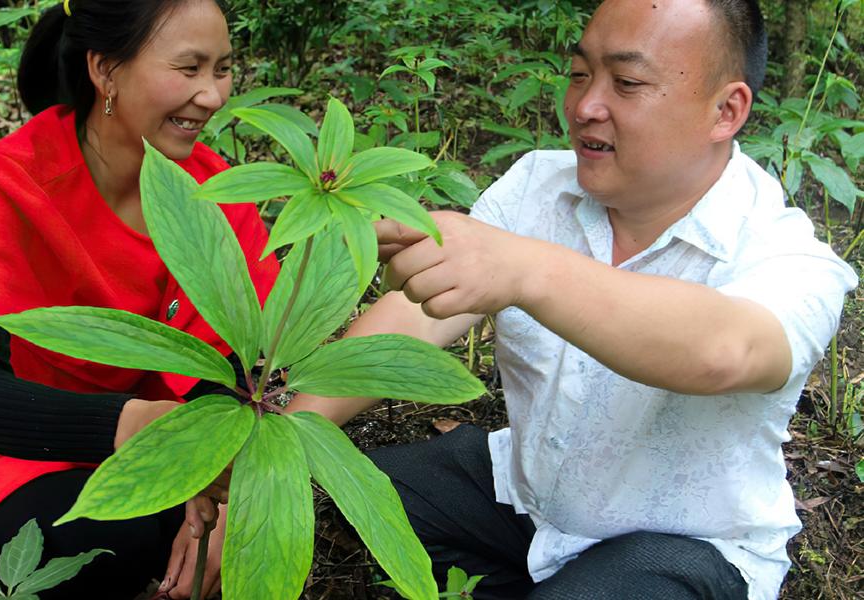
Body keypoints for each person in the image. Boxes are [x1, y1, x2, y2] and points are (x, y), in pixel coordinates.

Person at [290, 0, 859, 599]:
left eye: (628, 82)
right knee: (354, 495)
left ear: (726, 110)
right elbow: (419, 316)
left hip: (684, 545)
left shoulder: (786, 252)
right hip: (530, 498)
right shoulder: (536, 186)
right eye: (580, 73)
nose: (585, 106)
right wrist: (282, 443)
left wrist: (528, 269)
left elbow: (726, 350)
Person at [0, 1, 279, 598]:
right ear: (105, 70)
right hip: (9, 453)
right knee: (92, 540)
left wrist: (219, 500)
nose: (212, 95)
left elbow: (234, 375)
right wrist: (136, 426)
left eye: (222, 68)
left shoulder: (222, 199)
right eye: (189, 69)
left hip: (174, 456)